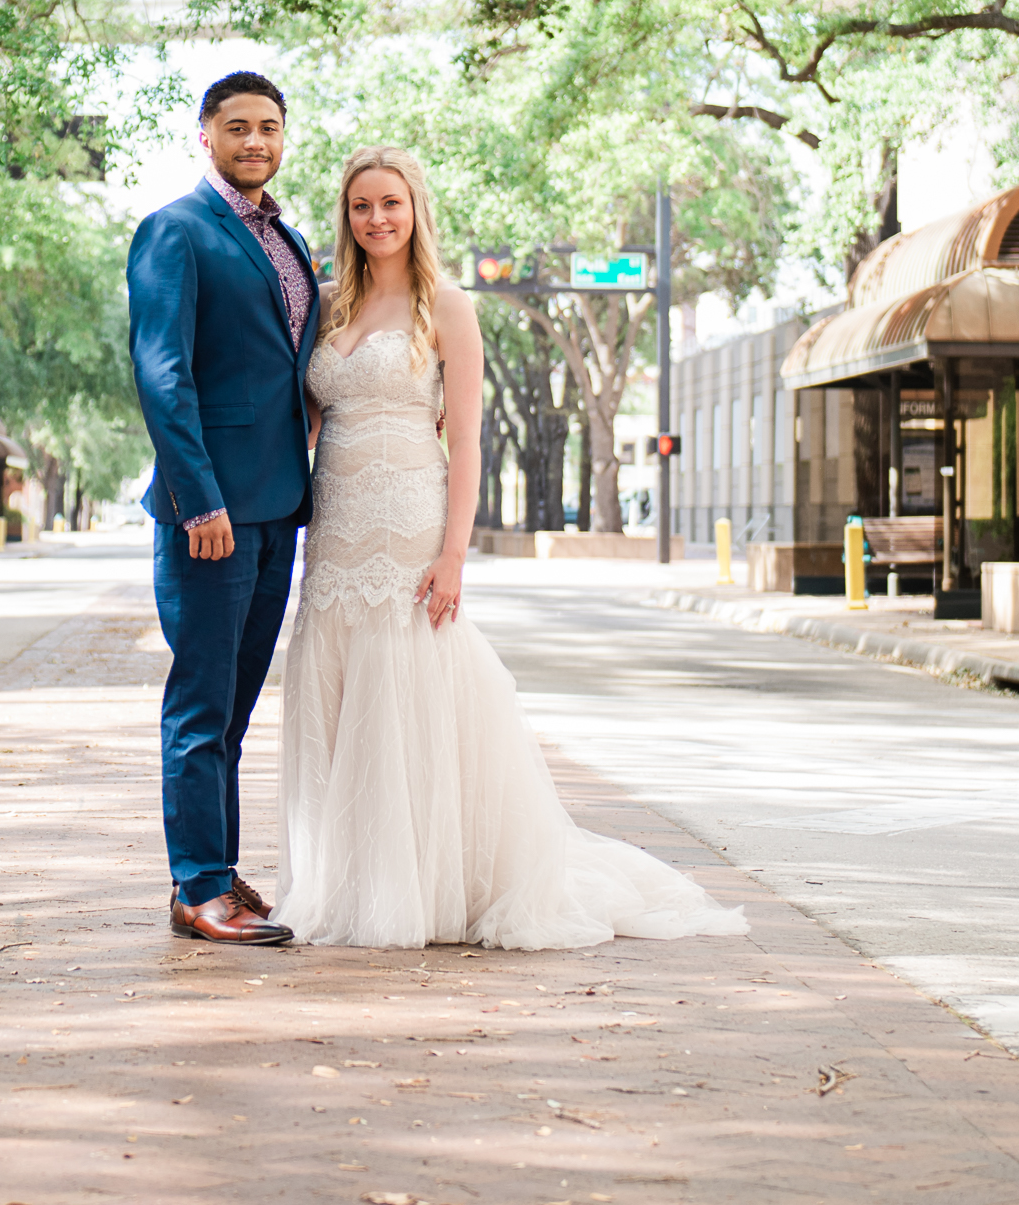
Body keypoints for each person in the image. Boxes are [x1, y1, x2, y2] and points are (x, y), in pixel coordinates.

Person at [275, 146, 748, 950]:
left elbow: (467, 443)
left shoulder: (447, 306)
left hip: (411, 523)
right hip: (336, 526)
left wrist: (453, 555)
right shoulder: (326, 307)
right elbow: (308, 420)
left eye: (390, 203)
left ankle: (422, 887)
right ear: (346, 217)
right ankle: (344, 879)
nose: (376, 219)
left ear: (416, 210)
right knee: (339, 699)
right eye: (361, 207)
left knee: (408, 699)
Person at [127, 73, 320, 946]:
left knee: (237, 704)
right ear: (205, 135)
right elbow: (162, 373)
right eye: (237, 127)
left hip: (279, 506)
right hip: (209, 514)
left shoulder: (289, 238)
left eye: (268, 127)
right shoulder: (174, 230)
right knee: (202, 701)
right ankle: (194, 885)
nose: (254, 141)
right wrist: (199, 498)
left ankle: (220, 870)